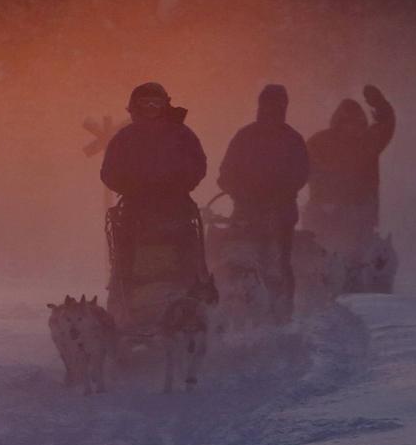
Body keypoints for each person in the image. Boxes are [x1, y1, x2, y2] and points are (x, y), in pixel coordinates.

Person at [100, 82, 210, 315]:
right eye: (145, 103)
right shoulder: (125, 137)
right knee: (125, 263)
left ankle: (193, 306)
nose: (151, 108)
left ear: (164, 105)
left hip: (176, 209)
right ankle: (122, 307)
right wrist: (134, 187)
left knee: (188, 260)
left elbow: (198, 166)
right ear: (134, 107)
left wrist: (175, 186)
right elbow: (109, 172)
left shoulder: (182, 135)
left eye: (156, 103)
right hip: (134, 210)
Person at [217, 84, 310, 322]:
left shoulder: (291, 139)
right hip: (247, 212)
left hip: (280, 214)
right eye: (269, 104)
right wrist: (239, 192)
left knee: (278, 261)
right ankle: (238, 307)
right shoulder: (246, 136)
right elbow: (226, 172)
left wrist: (277, 195)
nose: (272, 109)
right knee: (242, 259)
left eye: (277, 104)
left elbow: (301, 173)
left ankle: (282, 309)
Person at [305, 84, 395, 262]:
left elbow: (386, 125)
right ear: (339, 122)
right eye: (349, 123)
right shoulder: (319, 142)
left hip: (359, 210)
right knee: (323, 250)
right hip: (325, 210)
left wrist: (380, 105)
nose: (353, 128)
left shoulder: (368, 141)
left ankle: (356, 277)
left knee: (356, 254)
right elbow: (303, 170)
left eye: (358, 123)